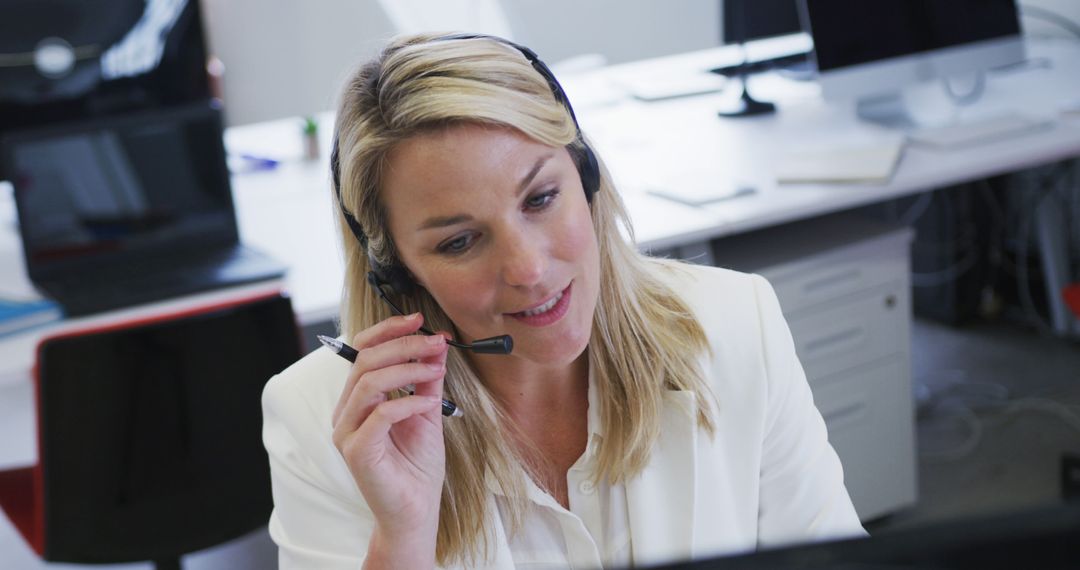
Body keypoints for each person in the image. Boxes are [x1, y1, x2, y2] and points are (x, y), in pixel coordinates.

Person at [261, 33, 866, 570]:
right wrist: (403, 537)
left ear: (587, 177)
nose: (527, 268)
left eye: (541, 198)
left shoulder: (735, 323)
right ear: (394, 271)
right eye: (460, 241)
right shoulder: (324, 422)